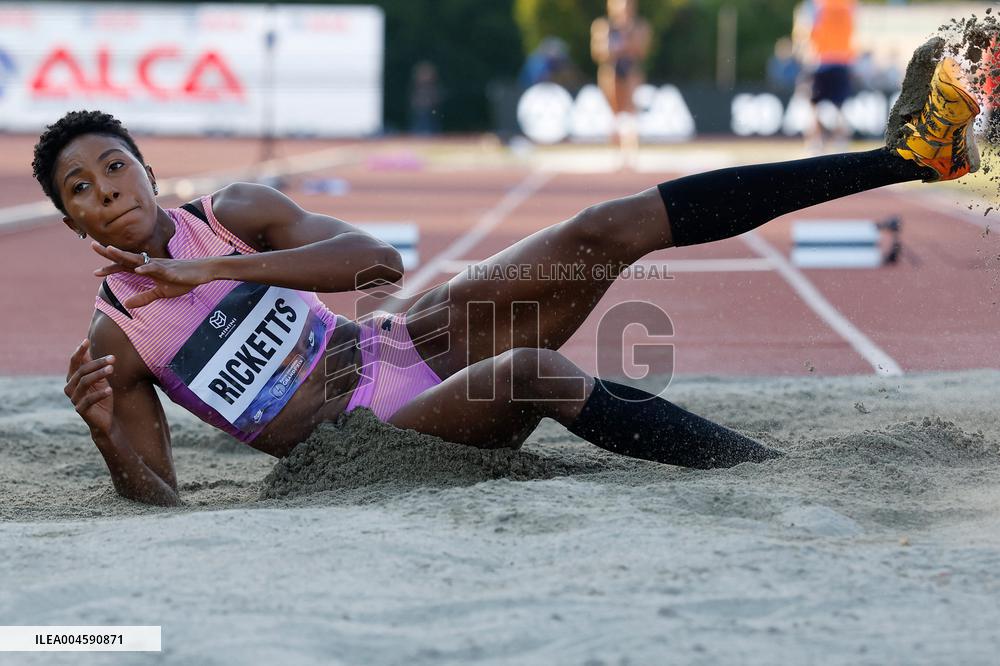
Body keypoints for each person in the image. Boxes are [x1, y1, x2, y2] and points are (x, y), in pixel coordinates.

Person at [44, 51, 979, 507]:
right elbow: (159, 502)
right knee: (536, 369)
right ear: (73, 220)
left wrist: (205, 270)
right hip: (362, 435)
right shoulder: (118, 338)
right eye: (80, 189)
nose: (106, 191)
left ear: (148, 168)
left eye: (114, 166)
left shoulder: (232, 215)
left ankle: (911, 157)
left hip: (396, 342)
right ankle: (775, 478)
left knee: (601, 227)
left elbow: (379, 265)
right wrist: (105, 440)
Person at [590, 0, 651, 165]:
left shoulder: (638, 26)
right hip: (611, 71)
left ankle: (631, 151)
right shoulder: (603, 25)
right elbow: (598, 52)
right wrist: (613, 48)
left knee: (631, 112)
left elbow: (642, 51)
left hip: (630, 70)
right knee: (613, 113)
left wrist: (628, 38)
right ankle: (615, 152)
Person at [796, 0, 857, 153]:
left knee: (813, 105)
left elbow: (805, 30)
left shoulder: (815, 4)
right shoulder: (849, 4)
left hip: (821, 60)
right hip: (843, 60)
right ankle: (841, 141)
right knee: (840, 107)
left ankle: (815, 142)